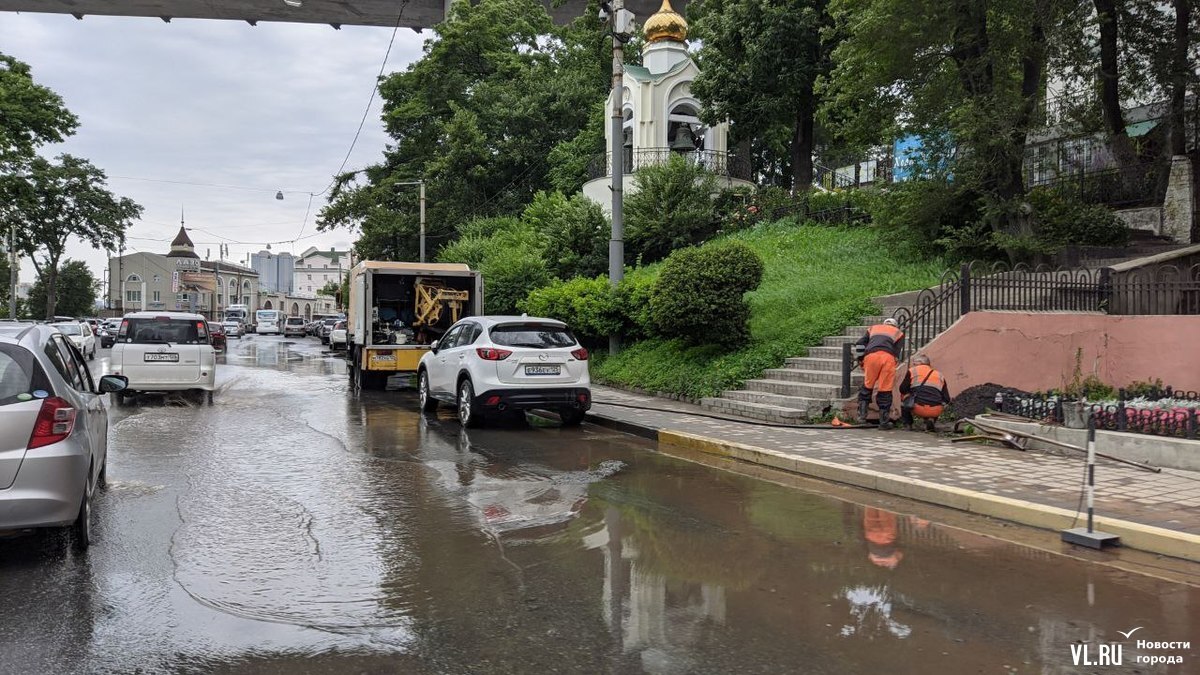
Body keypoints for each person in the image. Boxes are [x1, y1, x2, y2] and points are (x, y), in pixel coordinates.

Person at [855, 317, 904, 429]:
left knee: (867, 386)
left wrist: (861, 358)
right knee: (885, 389)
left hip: (871, 357)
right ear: (895, 326)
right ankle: (884, 422)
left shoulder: (873, 328)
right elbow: (896, 352)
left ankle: (862, 418)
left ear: (884, 324)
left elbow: (859, 343)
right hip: (888, 358)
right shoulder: (898, 333)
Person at [899, 354, 951, 432]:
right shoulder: (939, 375)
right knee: (935, 399)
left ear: (920, 362)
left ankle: (908, 424)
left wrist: (911, 392)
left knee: (904, 396)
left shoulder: (912, 371)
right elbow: (947, 398)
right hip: (936, 410)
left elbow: (902, 389)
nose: (913, 365)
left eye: (914, 362)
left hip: (918, 408)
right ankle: (931, 419)